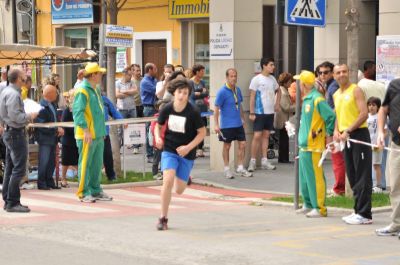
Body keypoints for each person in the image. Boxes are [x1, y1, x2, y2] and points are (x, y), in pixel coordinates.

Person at [154, 79, 206, 230]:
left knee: (179, 190)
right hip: (170, 149)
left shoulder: (193, 111)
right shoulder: (167, 108)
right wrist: (158, 137)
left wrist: (188, 147)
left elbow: (202, 133)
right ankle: (163, 218)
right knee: (167, 181)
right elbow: (158, 126)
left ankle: (185, 177)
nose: (182, 96)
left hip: (187, 153)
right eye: (179, 92)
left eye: (185, 93)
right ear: (174, 93)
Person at [333, 64, 372, 225]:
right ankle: (358, 210)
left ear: (348, 73)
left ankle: (365, 214)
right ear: (334, 76)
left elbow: (364, 114)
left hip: (358, 135)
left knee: (362, 174)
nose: (341, 74)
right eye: (338, 72)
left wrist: (348, 130)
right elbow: (338, 115)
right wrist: (336, 130)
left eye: (344, 71)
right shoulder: (336, 94)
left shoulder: (355, 90)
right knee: (352, 174)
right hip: (345, 137)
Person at [294, 71, 335, 218]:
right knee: (305, 178)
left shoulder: (317, 99)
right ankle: (309, 203)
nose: (298, 84)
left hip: (314, 146)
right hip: (305, 145)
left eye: (299, 82)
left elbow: (330, 116)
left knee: (315, 178)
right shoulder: (308, 99)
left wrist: (327, 134)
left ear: (303, 84)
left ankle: (319, 208)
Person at [73, 62, 112, 203]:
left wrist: (102, 131)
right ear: (93, 75)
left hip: (97, 133)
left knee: (96, 164)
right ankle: (83, 192)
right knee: (85, 163)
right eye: (99, 73)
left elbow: (99, 112)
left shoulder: (94, 89)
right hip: (87, 135)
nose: (101, 75)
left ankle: (95, 190)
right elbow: (78, 113)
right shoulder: (82, 90)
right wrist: (85, 130)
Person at [0, 69, 38, 212]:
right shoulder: (13, 94)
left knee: (10, 168)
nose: (26, 78)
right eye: (23, 77)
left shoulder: (5, 91)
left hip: (10, 132)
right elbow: (16, 116)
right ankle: (12, 202)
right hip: (15, 133)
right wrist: (30, 116)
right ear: (18, 79)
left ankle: (8, 199)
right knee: (19, 169)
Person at [214, 68, 252, 179]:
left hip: (238, 123)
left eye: (235, 76)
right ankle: (226, 169)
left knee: (243, 144)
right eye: (231, 76)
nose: (234, 78)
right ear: (227, 77)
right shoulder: (222, 91)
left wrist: (243, 119)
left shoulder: (237, 90)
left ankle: (240, 167)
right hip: (227, 124)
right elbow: (216, 109)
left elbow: (239, 105)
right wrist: (216, 125)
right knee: (227, 146)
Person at [375, 78, 400, 237]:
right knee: (395, 185)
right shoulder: (394, 85)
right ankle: (397, 223)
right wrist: (380, 132)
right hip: (396, 144)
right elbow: (383, 110)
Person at [248, 58, 281, 172]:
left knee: (266, 136)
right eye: (271, 65)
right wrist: (252, 112)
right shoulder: (256, 79)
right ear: (264, 66)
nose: (273, 67)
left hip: (270, 112)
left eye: (273, 65)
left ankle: (264, 161)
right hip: (259, 112)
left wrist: (277, 104)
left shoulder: (272, 79)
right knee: (257, 136)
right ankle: (252, 162)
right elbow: (252, 96)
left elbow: (279, 90)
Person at [318, 61, 346, 197]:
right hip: (336, 126)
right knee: (339, 157)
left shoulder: (333, 86)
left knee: (337, 158)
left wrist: (331, 130)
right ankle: (340, 187)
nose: (323, 75)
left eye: (326, 72)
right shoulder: (330, 86)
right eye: (320, 72)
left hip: (336, 127)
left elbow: (335, 110)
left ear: (332, 73)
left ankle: (339, 188)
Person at [34, 85, 64, 190]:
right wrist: (56, 129)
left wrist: (59, 127)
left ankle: (49, 181)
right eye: (55, 92)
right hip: (44, 138)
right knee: (44, 160)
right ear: (50, 93)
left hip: (52, 137)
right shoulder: (41, 107)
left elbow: (55, 119)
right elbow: (42, 125)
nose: (57, 94)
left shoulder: (52, 105)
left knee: (51, 161)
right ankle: (41, 183)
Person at [275, 72, 295, 163]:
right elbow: (286, 107)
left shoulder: (283, 91)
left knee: (285, 139)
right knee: (284, 139)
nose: (291, 83)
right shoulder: (283, 92)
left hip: (284, 119)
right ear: (285, 82)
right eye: (289, 81)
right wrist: (297, 106)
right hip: (284, 119)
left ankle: (284, 157)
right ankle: (283, 158)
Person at [102, 94, 124, 181]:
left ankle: (111, 176)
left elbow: (114, 112)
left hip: (105, 134)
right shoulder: (87, 98)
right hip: (92, 134)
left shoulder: (105, 100)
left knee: (107, 155)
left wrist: (123, 121)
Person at [189, 64, 208, 157]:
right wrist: (201, 92)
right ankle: (193, 148)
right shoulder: (190, 82)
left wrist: (199, 93)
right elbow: (191, 95)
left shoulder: (202, 82)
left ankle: (200, 148)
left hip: (203, 108)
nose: (203, 73)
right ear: (197, 72)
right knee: (194, 129)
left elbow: (206, 93)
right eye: (202, 71)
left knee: (203, 127)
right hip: (194, 108)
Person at [367, 97, 385, 193]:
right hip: (367, 145)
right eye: (369, 105)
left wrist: (379, 141)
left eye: (373, 105)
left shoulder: (380, 117)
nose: (371, 107)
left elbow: (385, 131)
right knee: (367, 165)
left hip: (377, 145)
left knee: (376, 165)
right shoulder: (366, 116)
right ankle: (369, 184)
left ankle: (378, 186)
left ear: (378, 107)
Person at [140, 63, 158, 163]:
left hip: (155, 108)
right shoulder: (145, 81)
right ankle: (149, 154)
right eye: (155, 69)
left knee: (155, 131)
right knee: (149, 131)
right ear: (150, 70)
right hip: (148, 108)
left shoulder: (154, 80)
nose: (156, 71)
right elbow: (157, 91)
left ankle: (155, 152)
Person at [60, 89, 78, 188]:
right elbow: (64, 125)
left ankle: (81, 178)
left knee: (78, 159)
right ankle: (63, 178)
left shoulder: (79, 109)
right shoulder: (67, 110)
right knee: (66, 160)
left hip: (77, 138)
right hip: (68, 139)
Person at [131, 64, 143, 154]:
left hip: (142, 104)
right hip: (134, 105)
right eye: (137, 70)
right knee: (135, 126)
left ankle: (140, 142)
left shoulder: (143, 80)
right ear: (132, 71)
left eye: (139, 70)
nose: (139, 72)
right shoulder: (131, 81)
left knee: (142, 125)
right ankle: (136, 146)